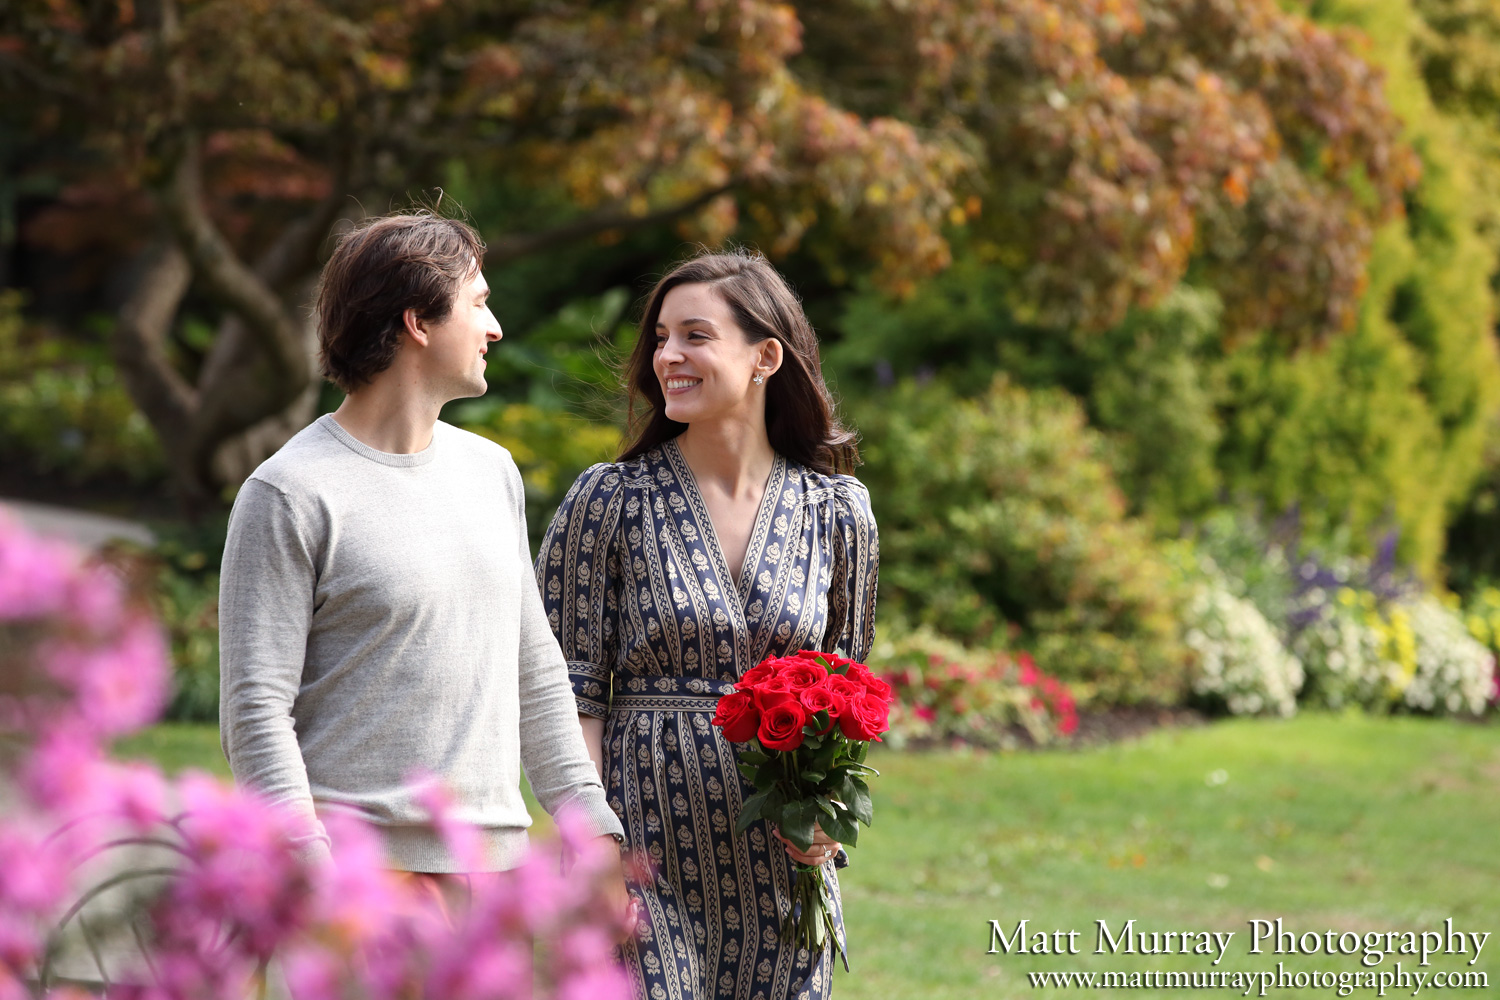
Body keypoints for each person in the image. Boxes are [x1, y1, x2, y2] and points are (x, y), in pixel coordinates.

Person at [218, 212, 627, 895]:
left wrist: (589, 818)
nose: (494, 328)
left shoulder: (491, 471)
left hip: (492, 873)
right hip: (360, 878)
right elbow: (255, 710)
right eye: (479, 304)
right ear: (417, 322)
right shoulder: (290, 492)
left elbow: (534, 666)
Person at [537, 249, 879, 1000]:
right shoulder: (609, 500)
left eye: (694, 335)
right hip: (643, 858)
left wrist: (827, 819)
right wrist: (590, 846)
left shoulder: (838, 510)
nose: (667, 356)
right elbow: (569, 692)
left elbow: (850, 693)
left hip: (782, 868)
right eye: (660, 337)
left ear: (765, 357)